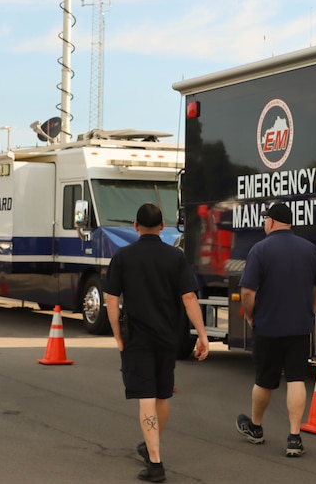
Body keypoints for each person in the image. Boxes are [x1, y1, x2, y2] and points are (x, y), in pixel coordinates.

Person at [104, 203, 210, 483]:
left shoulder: (124, 257)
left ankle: (155, 463)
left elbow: (111, 300)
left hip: (137, 339)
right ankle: (152, 445)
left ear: (136, 227)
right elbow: (189, 298)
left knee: (146, 398)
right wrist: (202, 334)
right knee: (162, 396)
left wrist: (117, 334)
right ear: (163, 226)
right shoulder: (175, 257)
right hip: (168, 338)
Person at [236, 201, 316, 458]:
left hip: (267, 326)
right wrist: (311, 308)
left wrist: (249, 314)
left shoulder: (260, 250)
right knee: (296, 379)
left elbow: (247, 290)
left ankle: (255, 427)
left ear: (270, 222)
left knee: (264, 380)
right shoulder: (309, 249)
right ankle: (294, 437)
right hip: (299, 326)